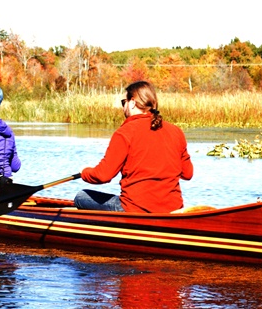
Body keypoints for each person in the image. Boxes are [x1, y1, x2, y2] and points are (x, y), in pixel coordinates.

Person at [74, 81, 193, 213]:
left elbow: (103, 175)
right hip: (172, 209)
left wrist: (85, 172)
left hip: (134, 209)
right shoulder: (176, 131)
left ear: (132, 103)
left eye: (123, 102)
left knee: (81, 196)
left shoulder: (124, 133)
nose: (123, 107)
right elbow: (187, 174)